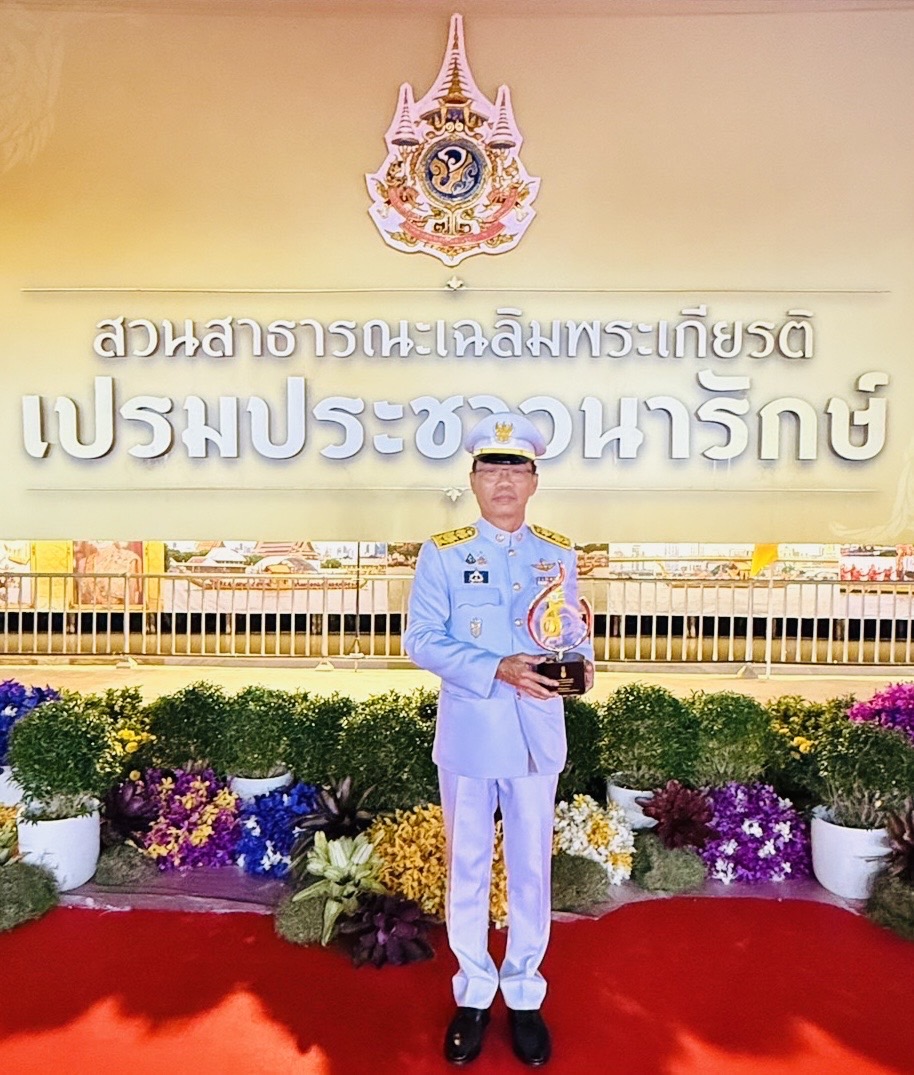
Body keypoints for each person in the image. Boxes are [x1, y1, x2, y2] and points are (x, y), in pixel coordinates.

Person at [404, 411, 594, 1068]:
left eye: (516, 469)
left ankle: (524, 990)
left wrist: (583, 665)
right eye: (491, 468)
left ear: (534, 480)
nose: (504, 480)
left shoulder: (557, 552)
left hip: (537, 732)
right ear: (473, 479)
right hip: (473, 732)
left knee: (532, 868)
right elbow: (421, 639)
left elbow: (568, 632)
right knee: (468, 864)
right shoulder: (444, 552)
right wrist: (496, 667)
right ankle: (474, 991)